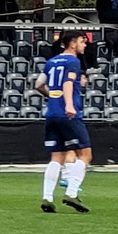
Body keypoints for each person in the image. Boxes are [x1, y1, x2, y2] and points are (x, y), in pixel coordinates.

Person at [37, 29, 92, 214]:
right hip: (68, 115)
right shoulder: (73, 62)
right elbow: (68, 83)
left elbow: (38, 85)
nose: (84, 45)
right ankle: (71, 192)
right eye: (82, 41)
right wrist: (68, 105)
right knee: (85, 155)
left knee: (57, 157)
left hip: (51, 114)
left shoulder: (51, 62)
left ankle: (47, 197)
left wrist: (53, 98)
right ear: (72, 43)